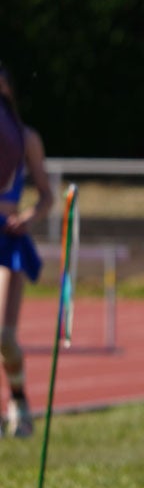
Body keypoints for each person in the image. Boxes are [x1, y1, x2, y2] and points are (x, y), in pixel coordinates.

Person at [0, 61, 52, 438]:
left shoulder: (26, 137)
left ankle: (19, 401)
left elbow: (47, 195)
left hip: (7, 238)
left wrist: (30, 218)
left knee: (3, 336)